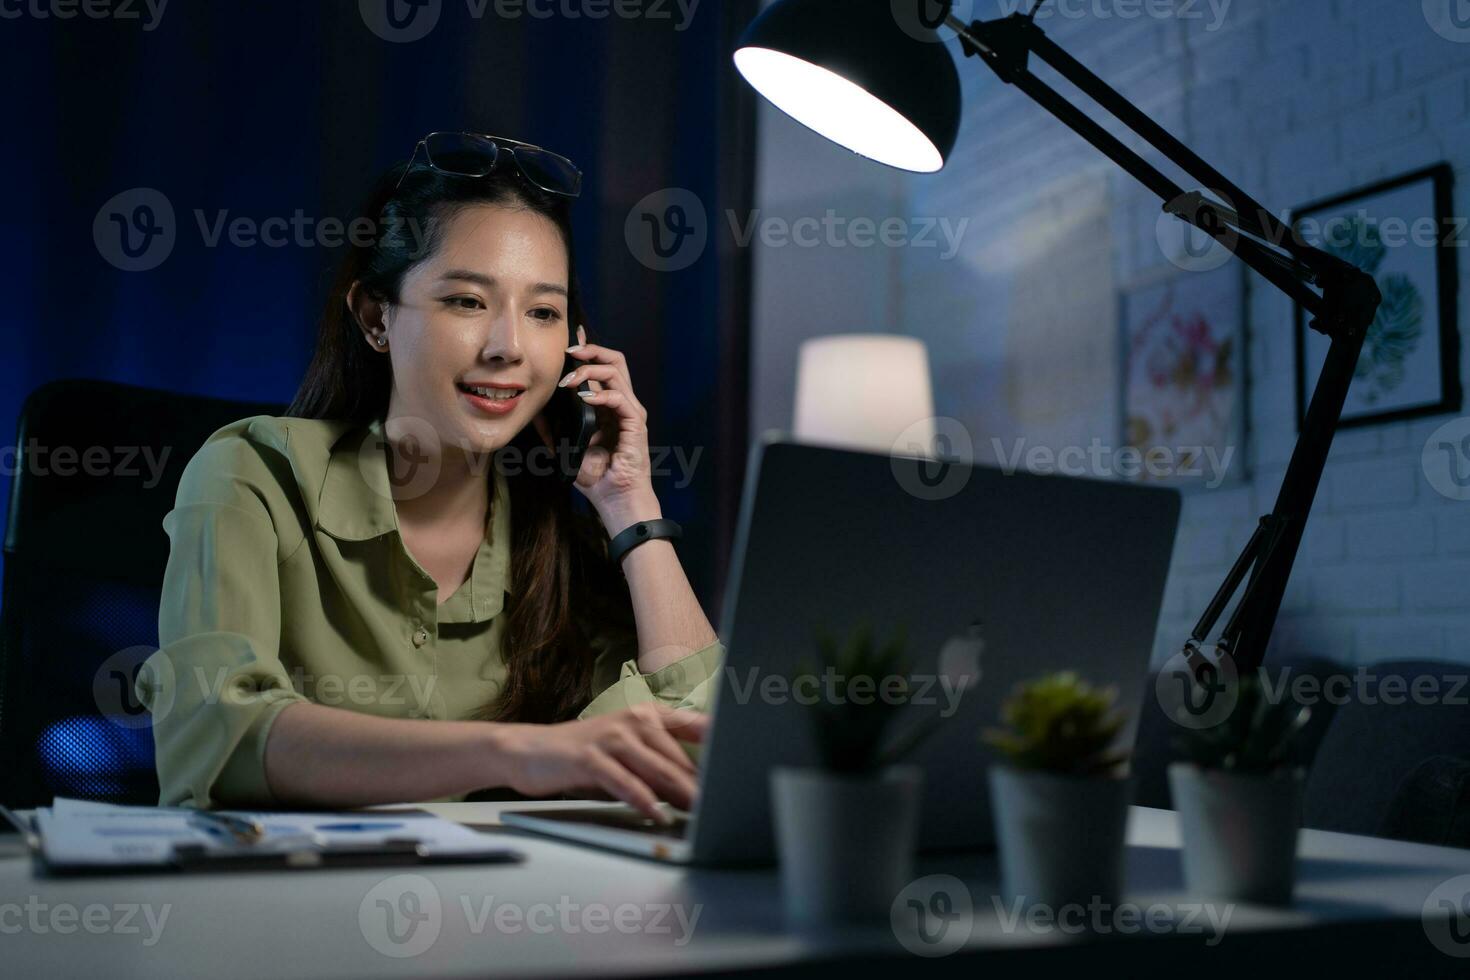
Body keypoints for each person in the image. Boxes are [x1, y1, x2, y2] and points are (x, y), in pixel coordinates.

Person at [137, 133, 723, 825]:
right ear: (375, 316)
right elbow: (217, 738)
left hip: (511, 914)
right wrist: (519, 754)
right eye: (467, 302)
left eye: (542, 312)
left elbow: (700, 747)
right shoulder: (254, 476)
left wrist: (631, 506)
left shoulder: (558, 543)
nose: (508, 346)